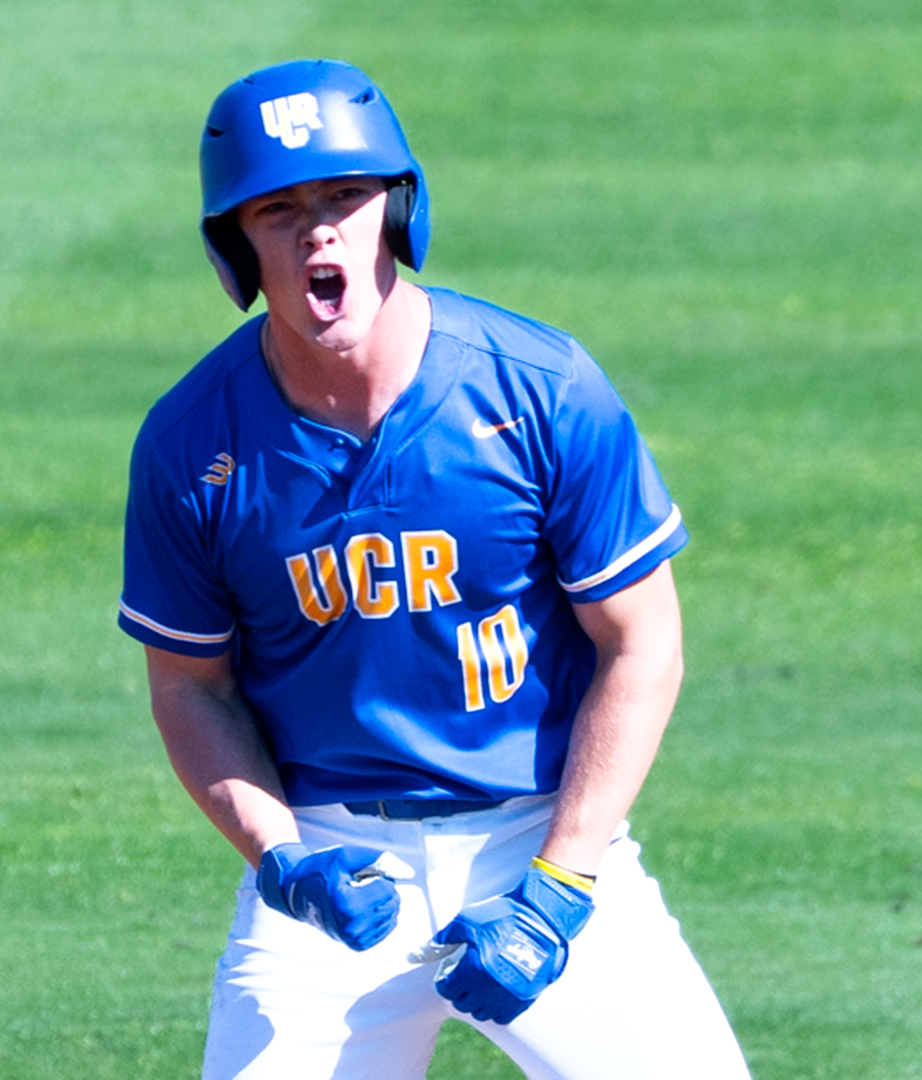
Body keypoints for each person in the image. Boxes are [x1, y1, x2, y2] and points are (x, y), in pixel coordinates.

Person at [117, 58, 750, 1079]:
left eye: (344, 196)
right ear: (236, 243)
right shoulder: (193, 445)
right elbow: (190, 690)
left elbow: (642, 642)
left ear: (396, 210)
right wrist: (284, 861)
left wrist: (559, 889)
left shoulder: (539, 390)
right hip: (333, 865)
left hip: (540, 839)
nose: (318, 231)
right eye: (278, 209)